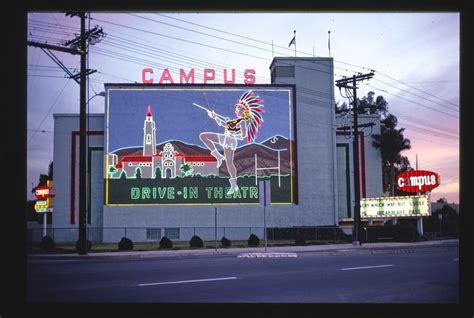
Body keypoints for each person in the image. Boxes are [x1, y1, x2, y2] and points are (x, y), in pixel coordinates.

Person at [199, 90, 264, 195]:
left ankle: (234, 185)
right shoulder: (234, 121)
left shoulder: (242, 122)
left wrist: (234, 135)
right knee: (204, 136)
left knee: (229, 162)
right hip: (225, 138)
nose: (235, 110)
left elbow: (243, 136)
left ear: (242, 111)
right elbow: (223, 124)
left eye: (237, 109)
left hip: (230, 141)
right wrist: (214, 116)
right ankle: (218, 156)